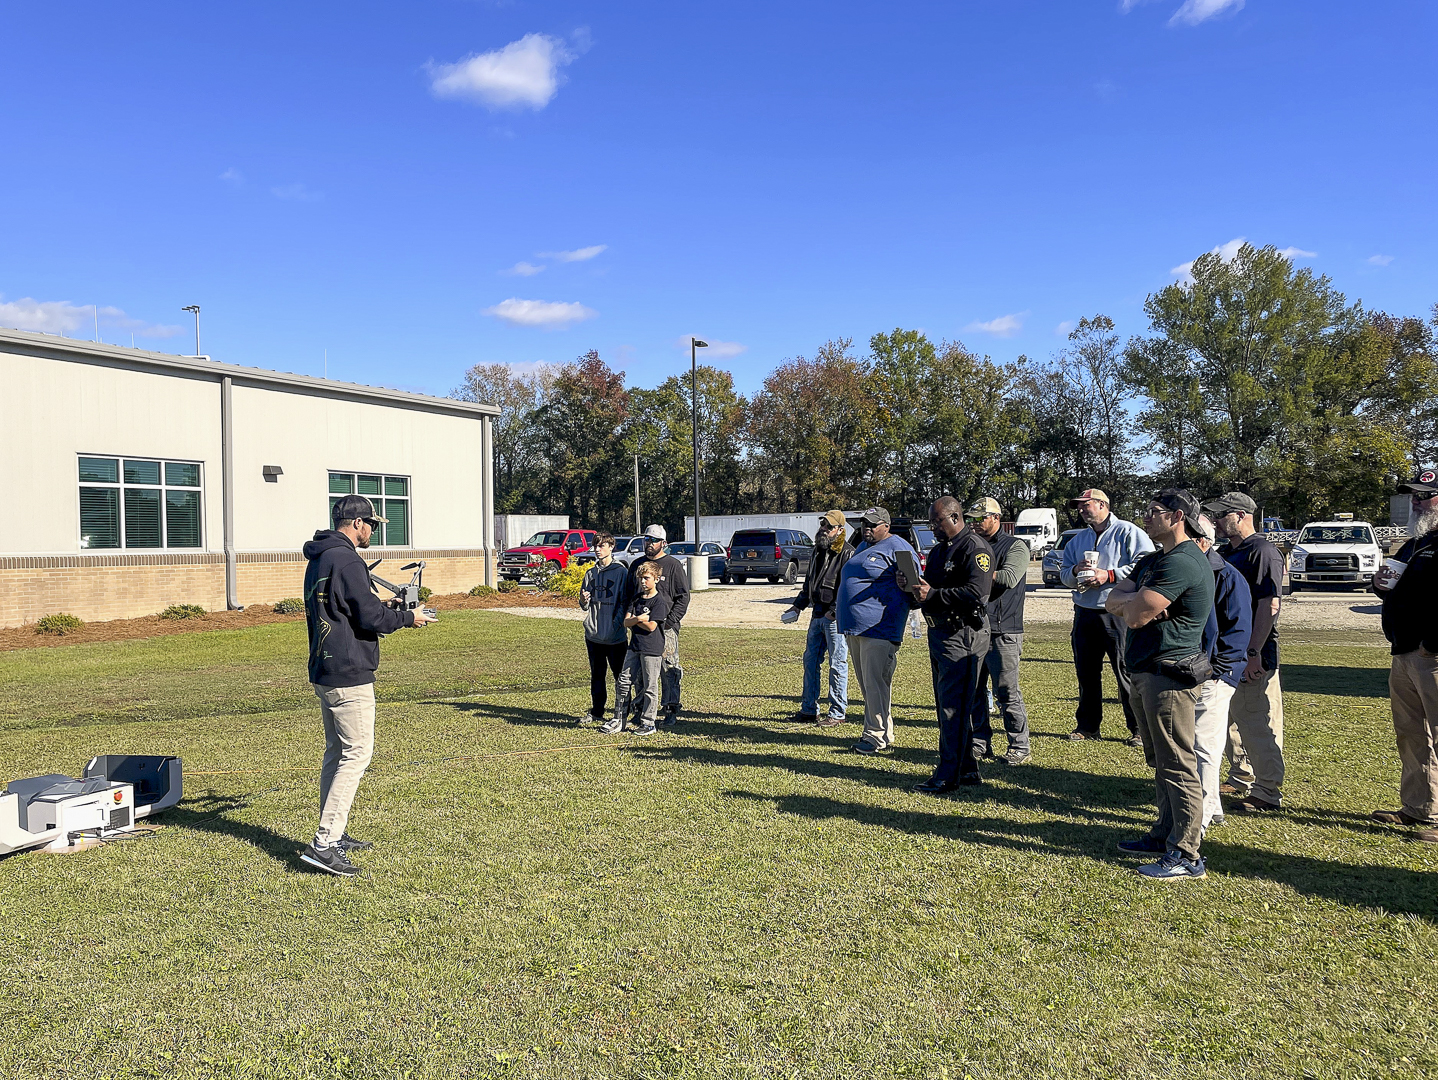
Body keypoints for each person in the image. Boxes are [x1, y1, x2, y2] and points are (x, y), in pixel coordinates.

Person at [299, 494, 435, 877]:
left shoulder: (321, 557)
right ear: (357, 523)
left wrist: (388, 608)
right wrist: (409, 617)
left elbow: (349, 610)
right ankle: (324, 844)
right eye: (371, 524)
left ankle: (334, 835)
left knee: (336, 752)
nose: (372, 531)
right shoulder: (347, 559)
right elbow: (370, 615)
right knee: (356, 754)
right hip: (348, 672)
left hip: (325, 668)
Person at [1105, 489, 1215, 881]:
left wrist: (1133, 604)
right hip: (1145, 671)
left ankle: (1186, 853)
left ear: (1178, 516)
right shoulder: (1154, 560)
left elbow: (1133, 615)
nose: (1145, 517)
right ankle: (1164, 834)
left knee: (1177, 763)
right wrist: (1134, 602)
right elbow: (1113, 601)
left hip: (1169, 675)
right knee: (1160, 761)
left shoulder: (1183, 562)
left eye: (1153, 512)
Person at [902, 496, 994, 793]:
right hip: (940, 634)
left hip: (963, 634)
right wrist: (912, 587)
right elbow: (928, 587)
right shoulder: (940, 551)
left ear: (954, 518)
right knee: (946, 704)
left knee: (954, 708)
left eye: (936, 522)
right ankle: (966, 768)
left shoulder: (975, 548)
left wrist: (933, 596)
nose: (933, 527)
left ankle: (946, 775)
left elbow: (977, 593)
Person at [1204, 491, 1286, 813]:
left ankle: (1268, 791)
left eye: (1222, 516)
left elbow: (1270, 605)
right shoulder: (1229, 552)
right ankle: (1241, 777)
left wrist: (1253, 652)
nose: (1217, 522)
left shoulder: (1263, 551)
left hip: (1254, 654)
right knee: (1230, 721)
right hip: (1229, 653)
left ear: (1241, 515)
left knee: (1256, 723)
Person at [1370, 469, 1438, 844]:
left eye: (1425, 496)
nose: (1417, 502)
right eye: (1413, 496)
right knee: (1412, 734)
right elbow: (1398, 590)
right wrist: (1379, 586)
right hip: (1405, 651)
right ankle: (1418, 807)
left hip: (1432, 654)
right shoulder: (1413, 544)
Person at [1059, 488, 1155, 745]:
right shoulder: (1078, 540)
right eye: (1078, 506)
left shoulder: (1128, 532)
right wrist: (1076, 572)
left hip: (1119, 613)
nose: (1080, 510)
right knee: (1086, 672)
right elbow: (1064, 573)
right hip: (1085, 613)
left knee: (1126, 671)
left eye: (1084, 505)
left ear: (1102, 505)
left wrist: (1109, 576)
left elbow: (1145, 564)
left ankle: (1138, 729)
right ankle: (1088, 726)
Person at [835, 507, 921, 755]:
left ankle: (874, 737)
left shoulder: (899, 548)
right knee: (869, 685)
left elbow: (914, 589)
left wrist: (907, 588)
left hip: (880, 628)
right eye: (864, 524)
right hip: (856, 627)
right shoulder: (863, 547)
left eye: (872, 524)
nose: (867, 528)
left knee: (875, 684)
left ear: (886, 525)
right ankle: (885, 731)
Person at [1190, 514, 1252, 830]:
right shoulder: (1185, 570)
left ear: (1203, 541)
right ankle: (1211, 808)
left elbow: (1238, 630)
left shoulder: (1226, 577)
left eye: (1188, 536)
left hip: (1213, 674)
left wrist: (1219, 672)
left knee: (1203, 743)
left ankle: (1198, 817)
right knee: (1200, 744)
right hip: (1187, 672)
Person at [965, 497, 1032, 766]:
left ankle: (1019, 744)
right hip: (976, 627)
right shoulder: (973, 545)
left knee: (1006, 691)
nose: (975, 524)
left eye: (980, 518)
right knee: (975, 690)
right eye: (971, 519)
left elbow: (1008, 577)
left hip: (1005, 629)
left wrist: (974, 573)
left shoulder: (1015, 546)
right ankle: (980, 742)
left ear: (996, 517)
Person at [786, 510, 855, 726]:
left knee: (837, 664)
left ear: (840, 530)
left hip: (834, 619)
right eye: (823, 524)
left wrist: (834, 610)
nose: (823, 529)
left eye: (829, 526)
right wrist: (797, 607)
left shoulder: (848, 553)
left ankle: (837, 713)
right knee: (810, 662)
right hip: (816, 615)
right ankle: (808, 710)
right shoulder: (817, 550)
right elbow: (809, 584)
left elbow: (848, 588)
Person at [627, 525, 690, 726]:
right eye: (646, 539)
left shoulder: (673, 565)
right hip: (641, 628)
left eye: (653, 540)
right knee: (640, 673)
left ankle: (670, 709)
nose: (649, 543)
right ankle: (640, 710)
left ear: (663, 543)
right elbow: (629, 595)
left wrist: (670, 622)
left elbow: (683, 597)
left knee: (668, 668)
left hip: (666, 629)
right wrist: (631, 619)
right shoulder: (638, 565)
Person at [605, 561, 670, 737]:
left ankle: (648, 723)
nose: (643, 582)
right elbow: (626, 622)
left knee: (650, 686)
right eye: (640, 578)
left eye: (646, 578)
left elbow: (651, 627)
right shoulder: (636, 599)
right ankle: (619, 718)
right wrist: (640, 618)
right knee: (623, 681)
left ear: (656, 579)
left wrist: (637, 619)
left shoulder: (659, 601)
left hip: (652, 649)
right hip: (634, 646)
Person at [578, 532, 631, 726]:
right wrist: (583, 600)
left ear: (611, 547)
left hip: (615, 636)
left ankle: (623, 712)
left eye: (602, 546)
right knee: (597, 675)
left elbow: (625, 602)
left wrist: (616, 626)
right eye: (595, 546)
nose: (597, 550)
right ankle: (597, 712)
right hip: (593, 635)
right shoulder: (590, 574)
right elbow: (583, 604)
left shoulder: (621, 573)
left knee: (621, 677)